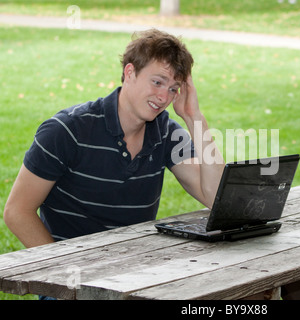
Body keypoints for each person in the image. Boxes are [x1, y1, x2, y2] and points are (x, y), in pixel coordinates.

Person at [4, 28, 225, 249]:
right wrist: (61, 268)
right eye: (158, 82)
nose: (163, 97)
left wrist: (193, 116)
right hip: (72, 270)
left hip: (132, 268)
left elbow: (217, 199)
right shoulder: (67, 130)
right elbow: (17, 211)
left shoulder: (166, 133)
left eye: (173, 89)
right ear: (130, 72)